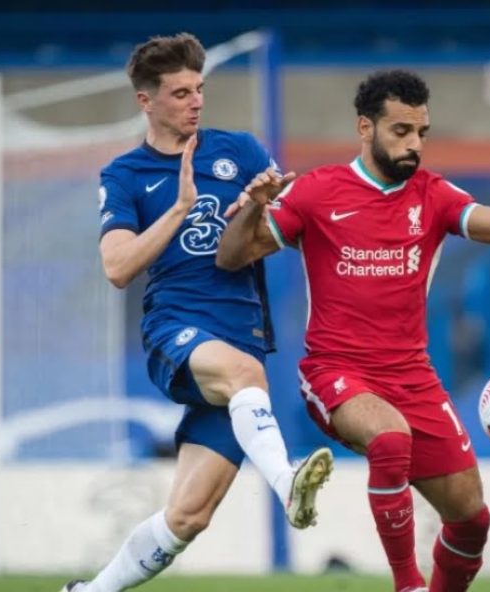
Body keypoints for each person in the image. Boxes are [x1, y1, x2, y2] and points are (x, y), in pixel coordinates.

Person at [217, 70, 490, 592]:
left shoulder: (434, 196)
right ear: (364, 127)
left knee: (472, 522)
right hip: (336, 371)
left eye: (421, 132)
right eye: (400, 131)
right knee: (390, 439)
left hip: (413, 378)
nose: (413, 144)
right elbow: (232, 254)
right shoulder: (318, 190)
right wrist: (256, 206)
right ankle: (407, 585)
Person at [60, 33, 333, 592]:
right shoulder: (126, 175)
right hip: (176, 331)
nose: (196, 101)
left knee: (188, 518)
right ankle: (288, 484)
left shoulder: (241, 153)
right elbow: (117, 267)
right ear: (147, 101)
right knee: (245, 376)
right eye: (181, 92)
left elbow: (283, 229)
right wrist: (180, 208)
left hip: (242, 342)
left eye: (199, 89)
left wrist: (257, 208)